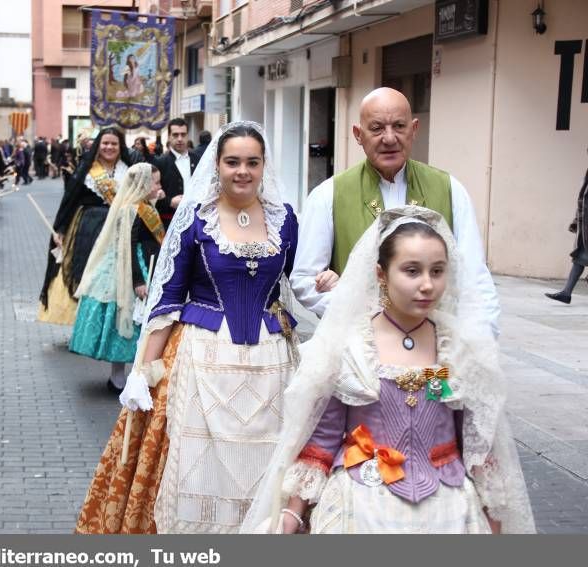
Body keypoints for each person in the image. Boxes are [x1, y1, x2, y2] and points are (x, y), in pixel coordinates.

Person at [242, 206, 535, 534]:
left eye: (437, 271)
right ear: (381, 274)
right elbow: (323, 439)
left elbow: (474, 441)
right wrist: (293, 514)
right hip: (363, 505)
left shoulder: (454, 348)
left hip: (448, 509)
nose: (427, 285)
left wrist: (493, 524)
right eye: (412, 271)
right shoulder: (353, 347)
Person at [75, 122, 300, 534]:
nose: (243, 171)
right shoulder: (197, 220)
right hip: (201, 360)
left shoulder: (285, 220)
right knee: (198, 471)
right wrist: (143, 372)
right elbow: (168, 299)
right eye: (233, 162)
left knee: (267, 471)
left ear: (264, 166)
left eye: (252, 162)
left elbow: (285, 285)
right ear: (217, 165)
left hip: (271, 366)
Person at [291, 87, 500, 337]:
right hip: (358, 346)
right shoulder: (329, 195)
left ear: (414, 129)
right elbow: (305, 280)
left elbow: (475, 276)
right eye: (377, 128)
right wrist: (358, 311)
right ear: (358, 134)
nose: (389, 138)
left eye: (399, 126)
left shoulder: (450, 190)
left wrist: (481, 338)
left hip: (434, 346)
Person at [70, 163, 165, 392]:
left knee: (140, 322)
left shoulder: (142, 206)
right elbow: (128, 247)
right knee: (127, 319)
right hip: (133, 270)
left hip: (146, 265)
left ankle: (136, 373)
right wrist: (138, 281)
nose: (159, 186)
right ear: (143, 184)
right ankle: (118, 375)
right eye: (155, 182)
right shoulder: (131, 209)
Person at [38, 127, 133, 326]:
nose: (109, 147)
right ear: (98, 145)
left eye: (114, 144)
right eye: (105, 143)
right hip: (88, 230)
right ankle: (84, 320)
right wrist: (61, 229)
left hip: (121, 229)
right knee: (88, 274)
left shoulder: (129, 168)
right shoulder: (87, 169)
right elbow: (69, 200)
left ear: (120, 146)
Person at [545, 155, 588, 304]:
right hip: (585, 227)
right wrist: (577, 221)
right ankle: (566, 293)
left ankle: (566, 293)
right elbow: (583, 200)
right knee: (580, 259)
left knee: (581, 258)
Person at [153, 118, 199, 229]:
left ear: (188, 136)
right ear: (169, 136)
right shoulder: (160, 162)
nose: (179, 139)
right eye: (175, 135)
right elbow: (152, 194)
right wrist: (169, 202)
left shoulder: (198, 160)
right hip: (169, 222)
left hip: (195, 219)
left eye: (183, 135)